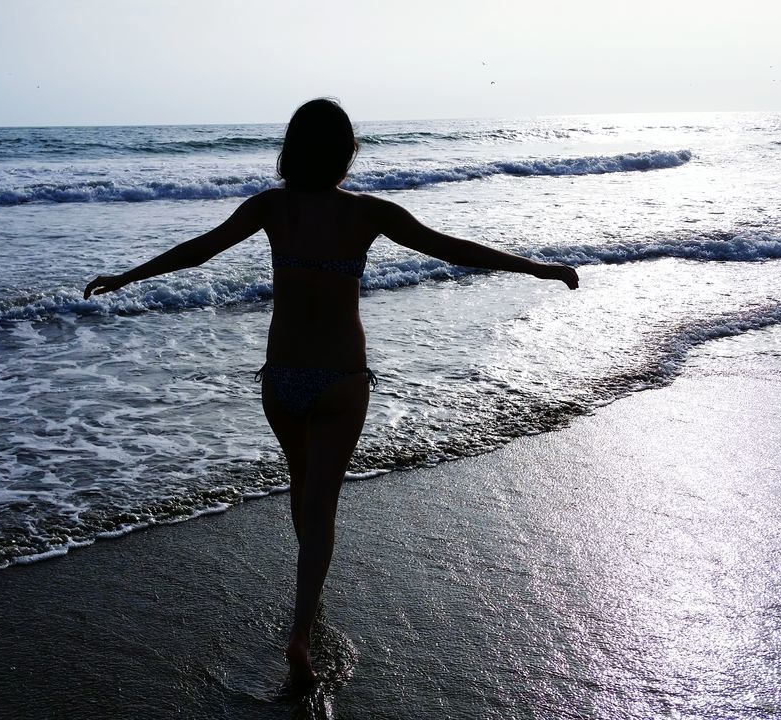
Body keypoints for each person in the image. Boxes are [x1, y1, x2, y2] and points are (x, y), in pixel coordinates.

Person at [84, 98, 579, 687]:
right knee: (322, 506)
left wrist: (127, 276)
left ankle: (308, 594)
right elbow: (453, 248)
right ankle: (300, 631)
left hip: (282, 377)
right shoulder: (368, 213)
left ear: (290, 151)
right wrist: (536, 268)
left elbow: (200, 250)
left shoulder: (272, 207)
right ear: (348, 153)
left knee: (304, 489)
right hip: (342, 379)